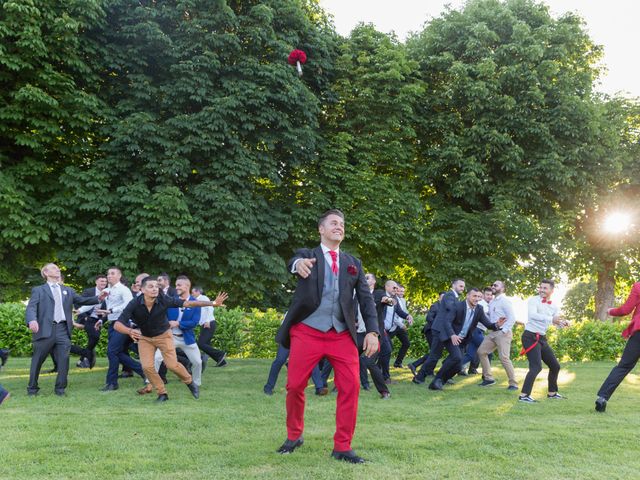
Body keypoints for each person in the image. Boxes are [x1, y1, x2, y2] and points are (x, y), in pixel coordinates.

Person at [274, 209, 379, 464]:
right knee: (295, 385)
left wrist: (374, 332)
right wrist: (297, 265)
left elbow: (366, 300)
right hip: (307, 330)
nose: (339, 227)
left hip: (341, 334)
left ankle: (342, 446)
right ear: (321, 229)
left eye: (342, 224)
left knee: (351, 386)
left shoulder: (353, 262)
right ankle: (294, 435)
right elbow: (293, 262)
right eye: (333, 223)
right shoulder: (307, 256)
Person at [113, 276, 227, 402]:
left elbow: (188, 303)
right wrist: (130, 331)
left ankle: (190, 382)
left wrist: (213, 303)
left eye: (156, 286)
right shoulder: (134, 303)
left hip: (164, 336)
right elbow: (117, 325)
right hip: (145, 338)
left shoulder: (164, 299)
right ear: (142, 289)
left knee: (172, 365)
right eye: (151, 287)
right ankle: (162, 393)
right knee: (147, 368)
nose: (155, 289)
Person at [25, 263, 105, 396]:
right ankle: (32, 388)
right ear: (45, 273)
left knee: (64, 360)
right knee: (37, 360)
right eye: (54, 268)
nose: (58, 269)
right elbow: (31, 307)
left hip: (63, 329)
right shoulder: (38, 290)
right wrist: (32, 320)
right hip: (45, 330)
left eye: (58, 268)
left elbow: (82, 300)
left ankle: (60, 389)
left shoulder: (68, 290)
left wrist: (98, 298)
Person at [427, 288, 505, 390]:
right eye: (474, 296)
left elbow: (488, 324)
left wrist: (497, 325)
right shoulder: (457, 306)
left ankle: (441, 381)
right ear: (467, 296)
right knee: (456, 357)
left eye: (478, 296)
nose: (476, 299)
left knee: (458, 366)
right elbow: (447, 321)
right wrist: (452, 335)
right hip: (450, 336)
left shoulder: (479, 309)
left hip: (462, 339)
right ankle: (437, 380)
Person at [518, 279, 569, 403]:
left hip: (542, 338)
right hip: (530, 336)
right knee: (536, 367)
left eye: (545, 288)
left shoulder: (554, 306)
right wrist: (552, 319)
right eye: (541, 287)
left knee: (555, 366)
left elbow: (556, 322)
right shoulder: (533, 301)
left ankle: (552, 393)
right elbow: (532, 316)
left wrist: (563, 323)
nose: (541, 290)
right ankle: (524, 396)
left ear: (551, 290)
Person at [96, 267, 145, 392]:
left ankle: (112, 383)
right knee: (118, 352)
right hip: (113, 323)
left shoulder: (124, 289)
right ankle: (143, 371)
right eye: (108, 274)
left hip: (123, 323)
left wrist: (112, 310)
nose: (109, 276)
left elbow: (128, 305)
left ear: (119, 276)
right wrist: (101, 319)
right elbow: (106, 307)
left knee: (112, 352)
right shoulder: (107, 290)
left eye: (112, 274)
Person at [595, 281, 640, 412]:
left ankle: (602, 398)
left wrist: (611, 311)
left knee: (623, 366)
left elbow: (626, 309)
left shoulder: (638, 286)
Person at [153, 276, 203, 389]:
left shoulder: (196, 303)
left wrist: (178, 324)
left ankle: (196, 383)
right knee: (157, 358)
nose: (176, 287)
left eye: (179, 285)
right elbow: (162, 316)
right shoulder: (171, 300)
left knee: (198, 362)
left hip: (187, 338)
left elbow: (194, 322)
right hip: (170, 337)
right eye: (176, 285)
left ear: (187, 286)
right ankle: (150, 382)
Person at [413, 279, 465, 384]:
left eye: (463, 287)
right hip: (440, 330)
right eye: (460, 286)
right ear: (453, 285)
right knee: (434, 356)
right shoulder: (449, 295)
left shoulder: (454, 297)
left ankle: (444, 376)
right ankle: (419, 377)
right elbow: (451, 308)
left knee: (451, 355)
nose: (462, 289)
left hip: (446, 331)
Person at [477, 280, 519, 390]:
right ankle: (488, 379)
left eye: (496, 285)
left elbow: (512, 318)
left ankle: (513, 384)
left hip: (502, 333)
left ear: (503, 288)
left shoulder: (505, 301)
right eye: (493, 284)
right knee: (481, 352)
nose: (493, 286)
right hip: (492, 333)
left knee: (504, 358)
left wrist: (504, 330)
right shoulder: (492, 302)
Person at [375, 280, 410, 383]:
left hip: (386, 330)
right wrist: (389, 300)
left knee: (384, 351)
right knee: (386, 350)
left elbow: (399, 311)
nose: (396, 290)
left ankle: (380, 373)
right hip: (378, 328)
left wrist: (407, 316)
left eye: (397, 288)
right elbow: (383, 300)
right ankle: (384, 377)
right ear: (387, 287)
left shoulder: (395, 298)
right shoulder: (380, 293)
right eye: (394, 288)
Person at [71, 274, 108, 369]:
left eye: (105, 281)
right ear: (96, 282)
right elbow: (78, 303)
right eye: (101, 281)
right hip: (87, 318)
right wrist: (84, 316)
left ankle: (85, 357)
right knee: (95, 336)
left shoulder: (108, 292)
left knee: (94, 339)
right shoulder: (88, 291)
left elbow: (109, 309)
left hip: (99, 319)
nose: (103, 283)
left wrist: (101, 319)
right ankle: (88, 356)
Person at [408, 292, 445, 378]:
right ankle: (417, 366)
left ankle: (424, 368)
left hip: (438, 332)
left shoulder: (444, 307)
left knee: (435, 352)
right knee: (435, 352)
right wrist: (437, 326)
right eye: (443, 297)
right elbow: (429, 318)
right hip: (431, 331)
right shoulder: (435, 306)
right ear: (439, 297)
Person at [192, 285, 227, 368]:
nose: (191, 294)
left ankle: (220, 353)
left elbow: (210, 308)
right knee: (206, 345)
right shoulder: (197, 300)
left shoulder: (203, 298)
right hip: (205, 324)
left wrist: (207, 321)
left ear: (198, 292)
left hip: (208, 324)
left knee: (201, 344)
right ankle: (222, 362)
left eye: (192, 292)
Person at [389, 284, 413, 369]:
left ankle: (398, 363)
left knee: (406, 343)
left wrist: (408, 318)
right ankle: (374, 363)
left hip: (400, 327)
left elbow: (404, 312)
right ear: (396, 290)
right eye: (400, 291)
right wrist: (401, 324)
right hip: (393, 326)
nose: (402, 293)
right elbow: (393, 315)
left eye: (403, 291)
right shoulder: (392, 299)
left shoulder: (403, 300)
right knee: (385, 345)